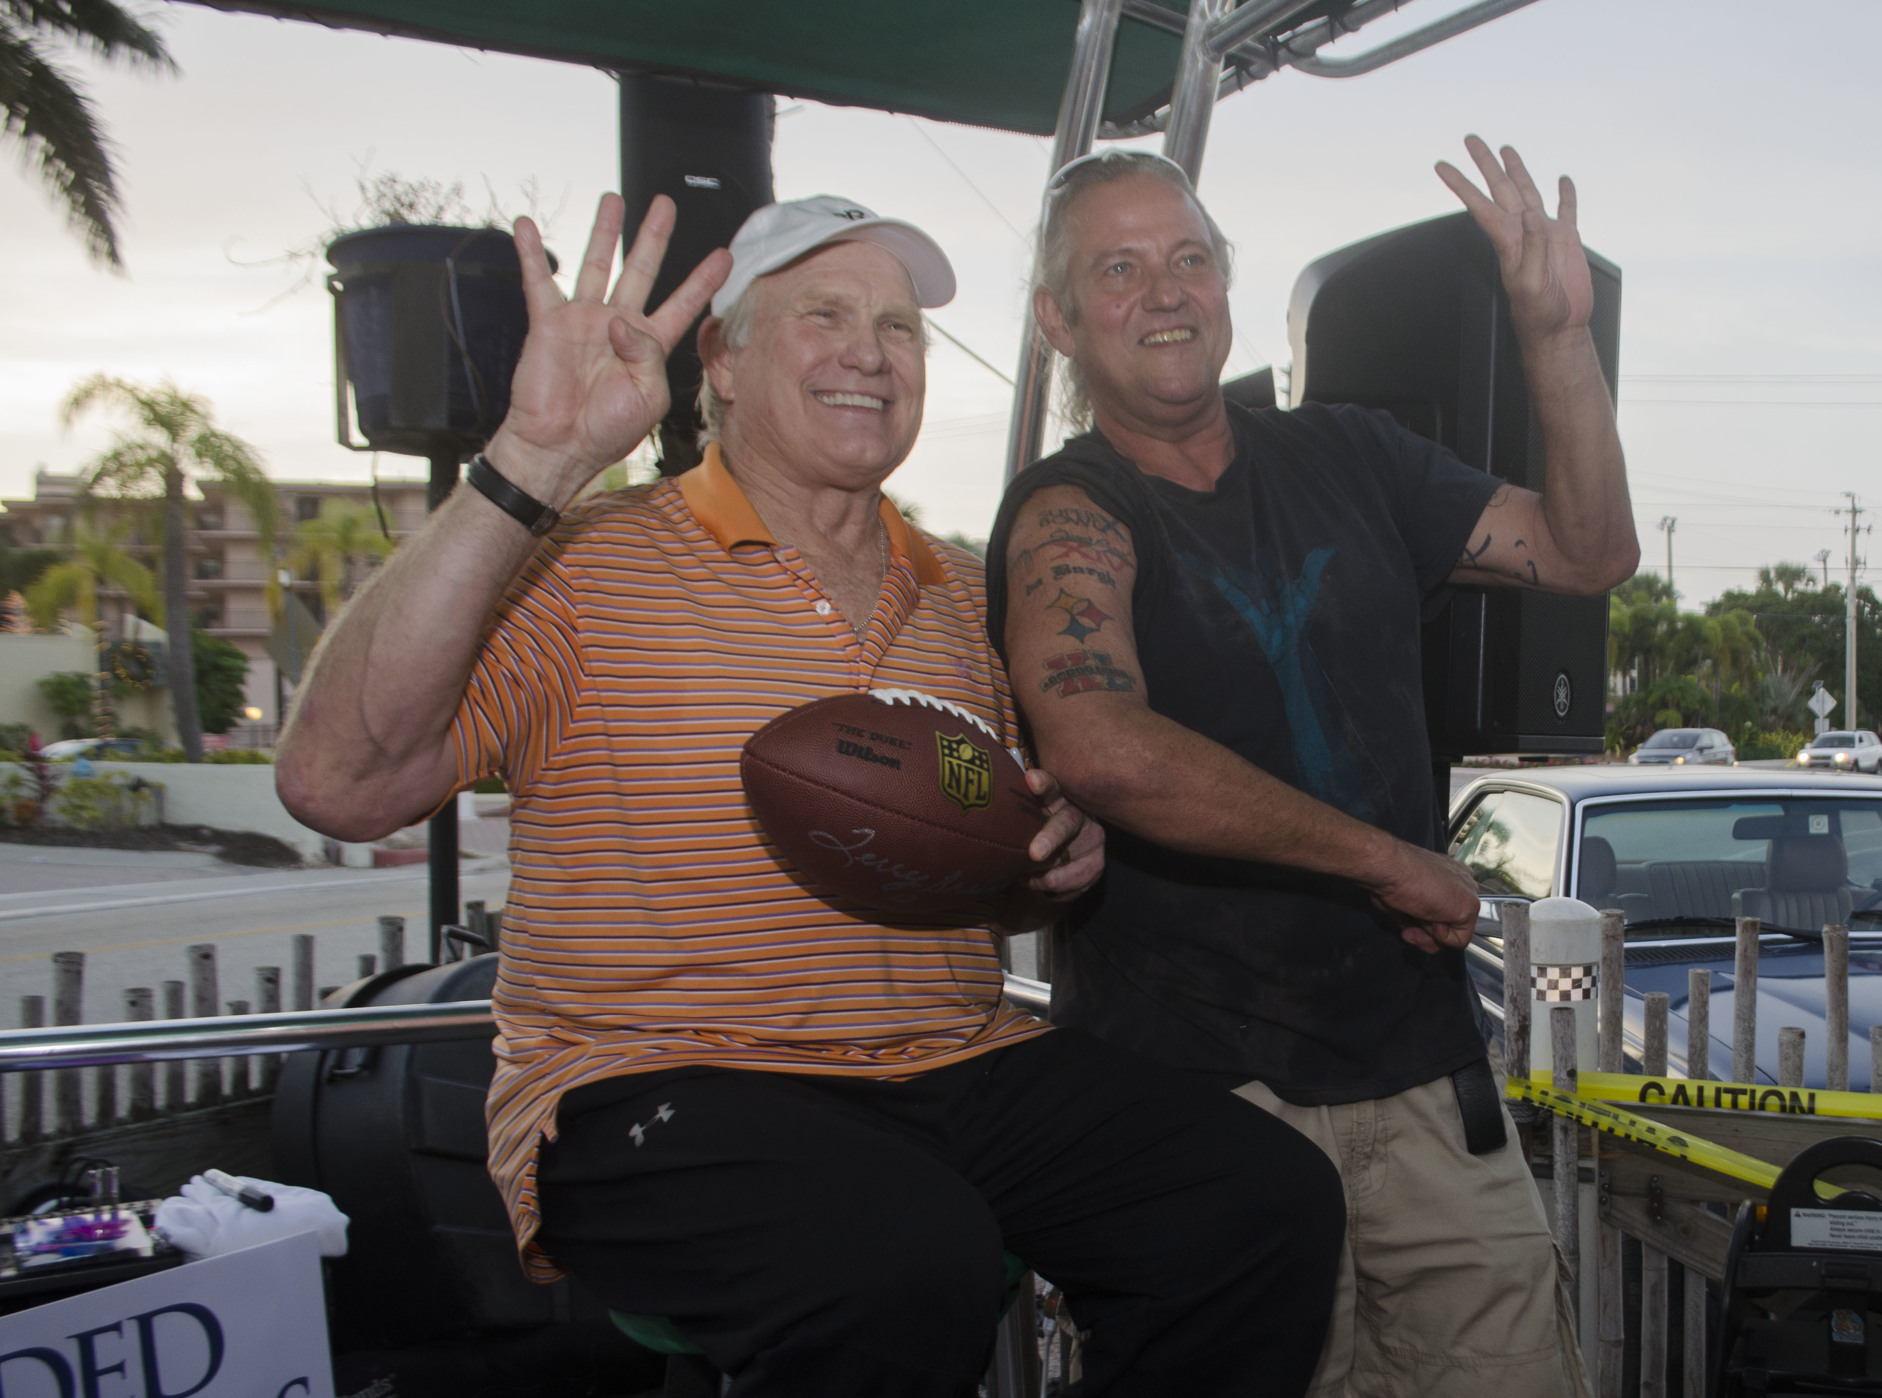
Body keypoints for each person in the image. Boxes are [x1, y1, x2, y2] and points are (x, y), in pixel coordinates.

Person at [276, 189, 1343, 1398]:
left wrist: (1050, 852)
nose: (868, 353)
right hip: (657, 1076)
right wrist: (532, 463)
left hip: (949, 1061)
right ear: (720, 360)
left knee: (1262, 1205)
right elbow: (336, 783)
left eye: (898, 329)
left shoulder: (966, 588)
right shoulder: (578, 565)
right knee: (901, 1258)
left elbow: (976, 842)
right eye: (823, 314)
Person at [987, 139, 1640, 1397]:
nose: (1163, 291)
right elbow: (1095, 741)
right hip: (1209, 1104)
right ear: (1057, 319)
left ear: (1227, 284)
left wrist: (1555, 337)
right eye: (1117, 270)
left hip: (1419, 1078)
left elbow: (1586, 549)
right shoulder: (1067, 511)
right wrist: (1386, 862)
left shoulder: (1352, 454)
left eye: (1187, 258)